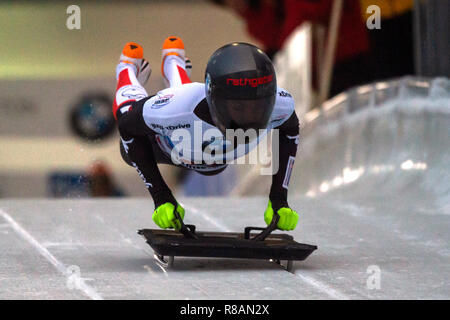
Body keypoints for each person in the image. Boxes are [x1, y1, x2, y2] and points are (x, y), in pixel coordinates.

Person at [113, 36, 299, 231]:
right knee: (127, 138)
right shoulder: (177, 110)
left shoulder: (281, 104)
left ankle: (174, 60)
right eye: (238, 107)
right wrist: (161, 196)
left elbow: (290, 130)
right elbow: (127, 126)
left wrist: (279, 198)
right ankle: (127, 68)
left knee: (213, 166)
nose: (249, 118)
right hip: (162, 144)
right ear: (214, 100)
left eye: (258, 107)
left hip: (200, 143)